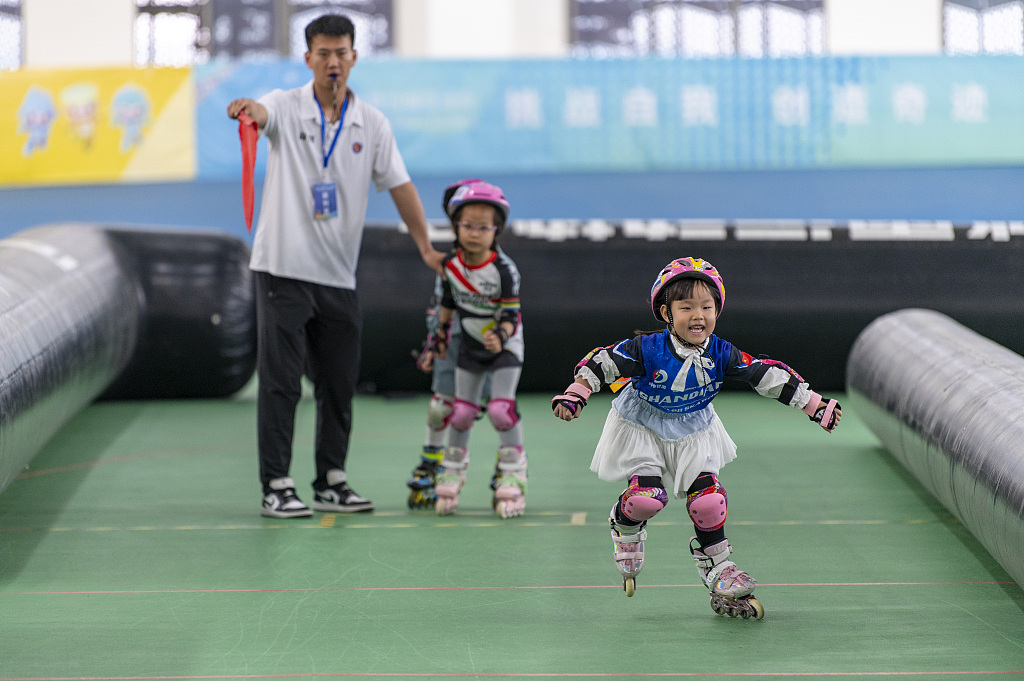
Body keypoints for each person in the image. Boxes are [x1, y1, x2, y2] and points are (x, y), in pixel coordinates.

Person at [226, 13, 444, 518]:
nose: (332, 62)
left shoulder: (371, 123)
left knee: (339, 383)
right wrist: (248, 111)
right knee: (280, 383)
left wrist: (425, 246)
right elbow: (261, 113)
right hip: (282, 269)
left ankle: (331, 479)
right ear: (309, 59)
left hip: (338, 276)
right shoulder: (285, 105)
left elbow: (400, 185)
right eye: (322, 53)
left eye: (341, 52)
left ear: (353, 58)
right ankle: (276, 484)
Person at [551, 257, 841, 619]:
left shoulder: (721, 352)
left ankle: (718, 566)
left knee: (709, 502)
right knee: (646, 499)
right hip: (643, 427)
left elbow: (766, 375)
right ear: (666, 312)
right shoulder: (648, 349)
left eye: (707, 306)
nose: (698, 315)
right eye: (686, 307)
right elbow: (603, 363)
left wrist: (813, 404)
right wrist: (576, 391)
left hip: (694, 429)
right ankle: (624, 523)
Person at [423, 180, 527, 519]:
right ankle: (451, 470)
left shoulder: (503, 269)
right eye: (467, 225)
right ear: (456, 226)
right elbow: (450, 303)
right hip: (470, 341)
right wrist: (439, 336)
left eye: (483, 227)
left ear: (496, 230)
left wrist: (500, 334)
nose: (474, 233)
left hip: (505, 344)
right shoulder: (451, 265)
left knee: (500, 409)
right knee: (461, 412)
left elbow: (512, 312)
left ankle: (513, 471)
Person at [407, 181, 493, 510]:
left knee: (495, 409)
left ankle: (510, 463)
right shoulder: (448, 263)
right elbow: (439, 307)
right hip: (451, 339)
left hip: (484, 345)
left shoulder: (495, 263)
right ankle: (431, 462)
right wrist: (433, 343)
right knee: (442, 406)